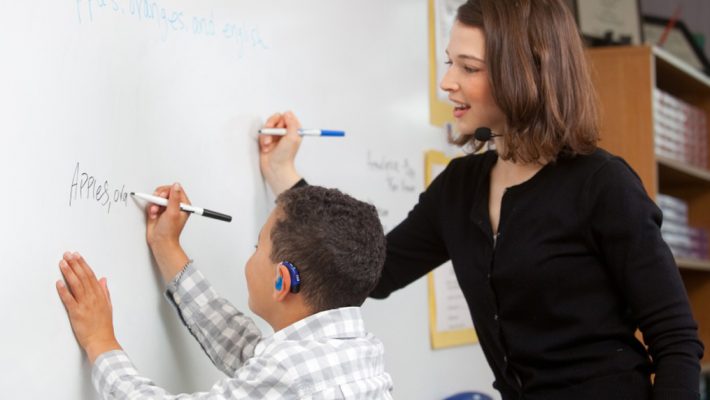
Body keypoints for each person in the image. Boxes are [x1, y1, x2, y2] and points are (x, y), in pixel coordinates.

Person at [257, 1, 704, 399]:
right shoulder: (460, 187)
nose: (447, 82)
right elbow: (375, 272)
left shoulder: (603, 185)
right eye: (451, 63)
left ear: (524, 74)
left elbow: (676, 339)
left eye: (468, 68)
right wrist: (285, 175)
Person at [56, 183, 393, 399]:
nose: (251, 255)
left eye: (256, 246)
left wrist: (100, 342)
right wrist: (167, 246)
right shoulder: (359, 351)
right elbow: (247, 351)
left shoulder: (290, 372)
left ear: (282, 282)